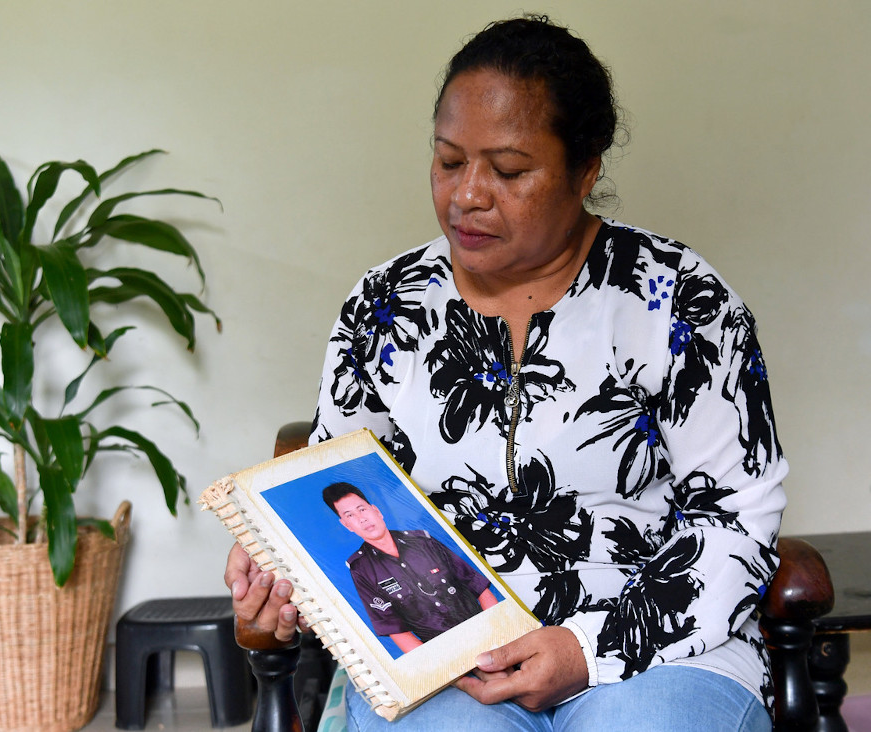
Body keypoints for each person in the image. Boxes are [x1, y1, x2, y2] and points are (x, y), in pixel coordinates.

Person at [226, 14, 785, 732]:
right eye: (449, 161)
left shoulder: (679, 299)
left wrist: (588, 649)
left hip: (661, 645)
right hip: (446, 654)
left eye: (511, 170)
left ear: (586, 169)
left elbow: (737, 518)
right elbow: (335, 490)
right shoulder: (386, 305)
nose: (468, 195)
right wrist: (278, 572)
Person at [323, 481, 499, 653]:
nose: (361, 518)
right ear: (347, 525)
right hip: (444, 652)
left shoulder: (423, 541)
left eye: (362, 509)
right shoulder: (361, 569)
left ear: (376, 511)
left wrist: (499, 633)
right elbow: (396, 630)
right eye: (350, 516)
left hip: (489, 629)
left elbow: (478, 588)